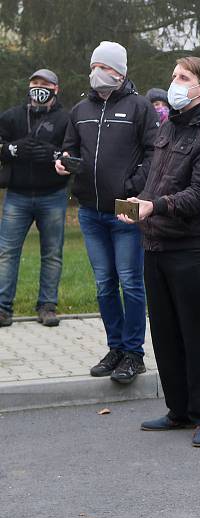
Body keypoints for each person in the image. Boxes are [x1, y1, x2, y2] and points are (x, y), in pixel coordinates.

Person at [118, 57, 200, 448]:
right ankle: (178, 410)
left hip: (192, 248)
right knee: (165, 332)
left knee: (194, 332)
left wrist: (157, 205)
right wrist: (140, 203)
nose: (174, 83)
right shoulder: (168, 126)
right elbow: (157, 180)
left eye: (183, 78)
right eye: (173, 77)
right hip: (156, 244)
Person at [56, 41, 159, 384]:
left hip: (126, 208)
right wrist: (64, 162)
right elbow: (69, 147)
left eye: (104, 66)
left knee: (130, 282)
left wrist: (132, 184)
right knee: (104, 285)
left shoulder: (139, 107)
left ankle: (134, 354)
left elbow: (154, 153)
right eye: (94, 66)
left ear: (120, 72)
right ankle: (115, 348)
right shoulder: (80, 109)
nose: (97, 72)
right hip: (89, 209)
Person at [0, 69, 70, 328]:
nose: (39, 87)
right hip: (16, 195)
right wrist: (11, 149)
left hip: (53, 195)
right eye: (35, 83)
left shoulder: (66, 119)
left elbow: (73, 153)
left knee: (52, 254)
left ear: (55, 88)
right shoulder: (11, 116)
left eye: (45, 84)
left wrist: (54, 154)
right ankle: (3, 307)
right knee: (6, 253)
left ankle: (47, 306)